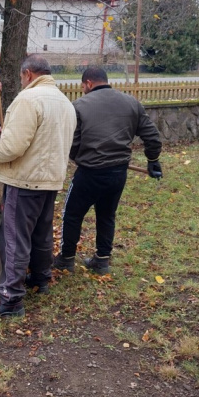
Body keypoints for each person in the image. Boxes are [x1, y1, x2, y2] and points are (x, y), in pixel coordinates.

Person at [0, 54, 76, 317]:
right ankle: (41, 278)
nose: (21, 82)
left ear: (28, 74)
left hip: (25, 180)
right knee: (41, 233)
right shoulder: (64, 102)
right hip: (50, 180)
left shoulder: (28, 100)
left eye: (21, 77)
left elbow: (12, 146)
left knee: (15, 239)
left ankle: (10, 299)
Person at [53, 66, 162, 275]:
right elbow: (152, 137)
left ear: (89, 83)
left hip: (90, 173)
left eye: (83, 85)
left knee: (73, 214)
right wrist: (152, 160)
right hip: (118, 173)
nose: (83, 89)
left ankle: (66, 258)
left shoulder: (79, 106)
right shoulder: (131, 103)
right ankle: (102, 260)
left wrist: (77, 157)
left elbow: (73, 142)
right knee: (106, 215)